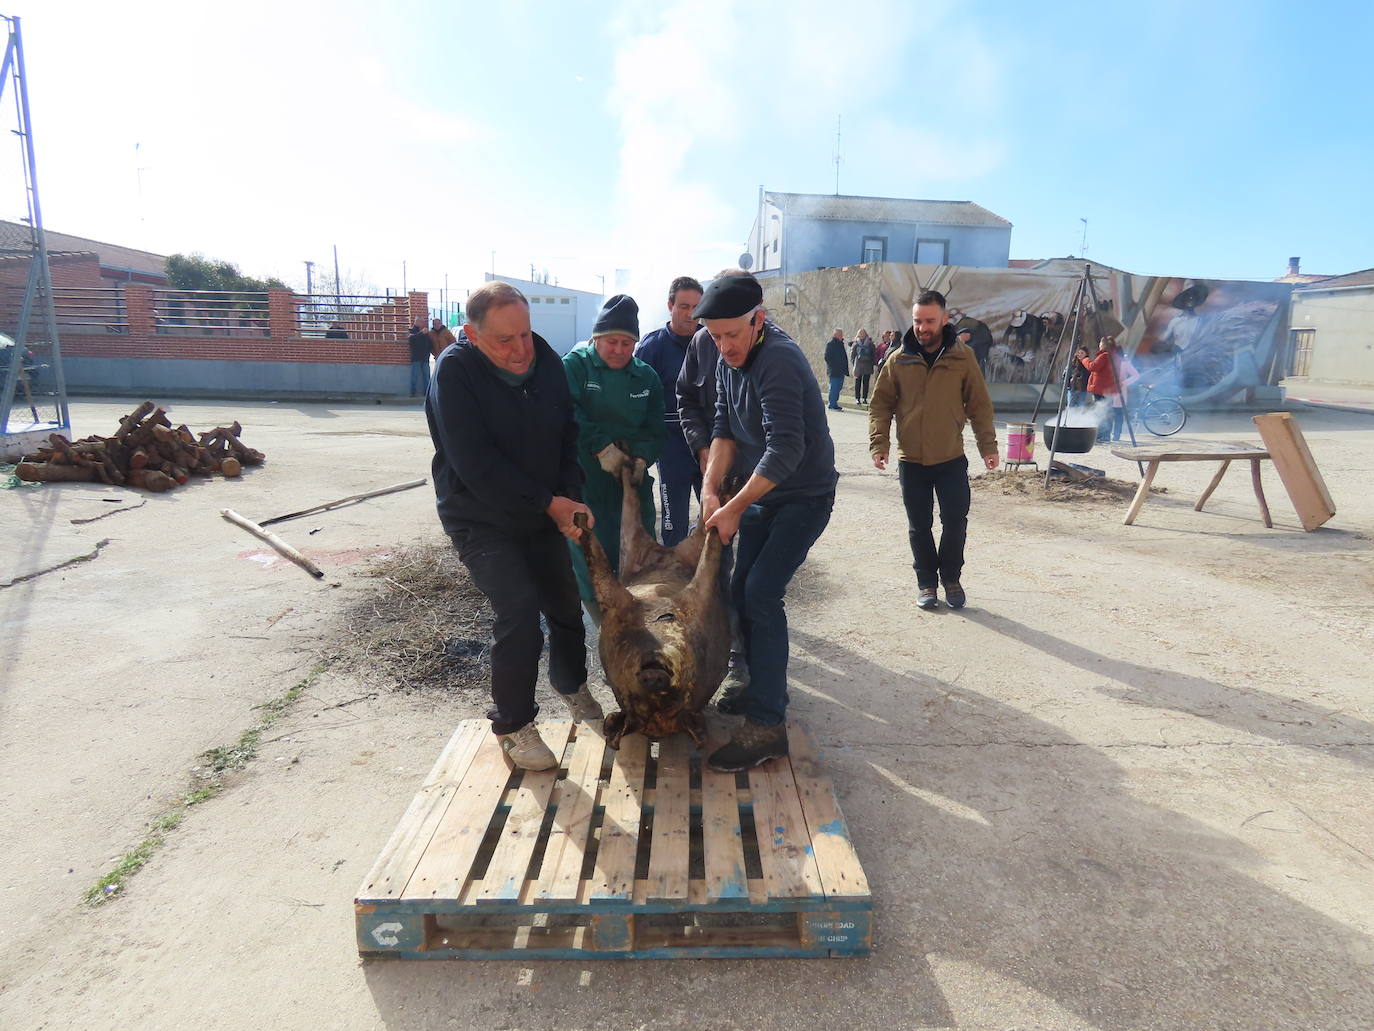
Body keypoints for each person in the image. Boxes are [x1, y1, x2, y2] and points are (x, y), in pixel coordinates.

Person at [425, 281, 602, 771]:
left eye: (525, 334)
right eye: (505, 340)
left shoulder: (543, 358)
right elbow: (475, 464)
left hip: (542, 506)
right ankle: (514, 725)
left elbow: (568, 433)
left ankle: (571, 686)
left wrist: (569, 495)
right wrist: (551, 504)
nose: (520, 348)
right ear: (472, 334)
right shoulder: (454, 374)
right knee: (520, 608)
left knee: (564, 603)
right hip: (479, 514)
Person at [698, 271, 837, 772]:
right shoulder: (724, 355)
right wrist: (713, 487)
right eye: (715, 336)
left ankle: (767, 726)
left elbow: (786, 450)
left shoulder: (778, 359)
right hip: (762, 496)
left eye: (732, 334)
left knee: (760, 593)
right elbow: (722, 427)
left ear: (758, 319)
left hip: (803, 497)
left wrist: (733, 507)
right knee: (738, 591)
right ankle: (756, 679)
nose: (724, 346)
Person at [869, 289, 998, 612]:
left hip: (951, 457)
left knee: (955, 521)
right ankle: (926, 582)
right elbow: (880, 405)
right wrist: (879, 444)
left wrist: (988, 447)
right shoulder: (898, 359)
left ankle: (951, 578)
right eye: (917, 321)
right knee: (919, 525)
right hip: (910, 460)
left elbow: (979, 404)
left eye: (929, 321)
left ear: (944, 318)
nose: (922, 327)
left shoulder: (962, 356)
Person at [562, 294, 664, 614]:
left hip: (631, 486)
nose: (619, 350)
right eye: (612, 342)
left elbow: (656, 427)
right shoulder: (574, 367)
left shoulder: (646, 376)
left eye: (627, 343)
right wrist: (601, 448)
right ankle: (606, 630)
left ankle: (639, 624)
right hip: (586, 482)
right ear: (596, 338)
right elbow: (567, 412)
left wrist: (642, 458)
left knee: (638, 559)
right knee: (592, 560)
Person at [633, 275, 704, 546]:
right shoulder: (652, 347)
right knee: (674, 524)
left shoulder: (711, 342)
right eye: (684, 306)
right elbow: (637, 403)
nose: (690, 314)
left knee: (716, 517)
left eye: (696, 307)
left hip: (708, 445)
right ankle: (674, 581)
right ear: (670, 306)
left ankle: (713, 579)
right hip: (671, 447)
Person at [1080, 336, 1138, 442]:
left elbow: (1092, 367)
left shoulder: (1108, 356)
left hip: (1109, 390)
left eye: (1100, 343)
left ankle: (1108, 435)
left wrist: (1085, 359)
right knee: (1108, 412)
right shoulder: (1112, 357)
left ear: (1103, 345)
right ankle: (1106, 435)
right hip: (1109, 389)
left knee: (1107, 413)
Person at [823, 328, 848, 410]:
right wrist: (834, 365)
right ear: (835, 335)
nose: (841, 336)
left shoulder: (841, 344)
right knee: (834, 387)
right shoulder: (831, 344)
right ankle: (832, 404)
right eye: (840, 334)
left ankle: (834, 403)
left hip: (841, 371)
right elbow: (827, 357)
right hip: (834, 370)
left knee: (838, 387)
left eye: (841, 334)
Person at [850, 329, 876, 405]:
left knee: (866, 382)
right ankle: (857, 398)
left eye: (863, 333)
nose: (861, 334)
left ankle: (864, 398)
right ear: (858, 334)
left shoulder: (870, 344)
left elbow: (873, 354)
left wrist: (872, 363)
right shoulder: (856, 343)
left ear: (866, 334)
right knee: (857, 382)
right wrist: (854, 363)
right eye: (860, 333)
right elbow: (852, 354)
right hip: (858, 366)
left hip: (867, 365)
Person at [407, 320, 432, 398]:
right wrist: (421, 333)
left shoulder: (426, 332)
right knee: (414, 376)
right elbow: (412, 339)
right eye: (418, 321)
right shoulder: (411, 331)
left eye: (421, 322)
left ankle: (427, 393)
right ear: (415, 322)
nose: (420, 323)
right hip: (416, 358)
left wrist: (429, 352)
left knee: (426, 377)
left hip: (425, 357)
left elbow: (430, 343)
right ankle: (412, 392)